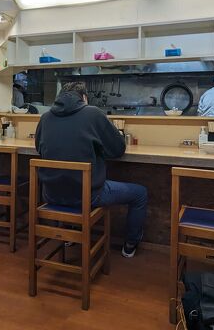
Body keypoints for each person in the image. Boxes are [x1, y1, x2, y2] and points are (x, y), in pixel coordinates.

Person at [35, 81, 148, 258]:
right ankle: (130, 245)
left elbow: (39, 149)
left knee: (66, 180)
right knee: (140, 193)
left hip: (51, 194)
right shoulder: (93, 113)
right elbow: (118, 150)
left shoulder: (45, 117)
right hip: (88, 195)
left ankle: (69, 234)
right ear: (84, 98)